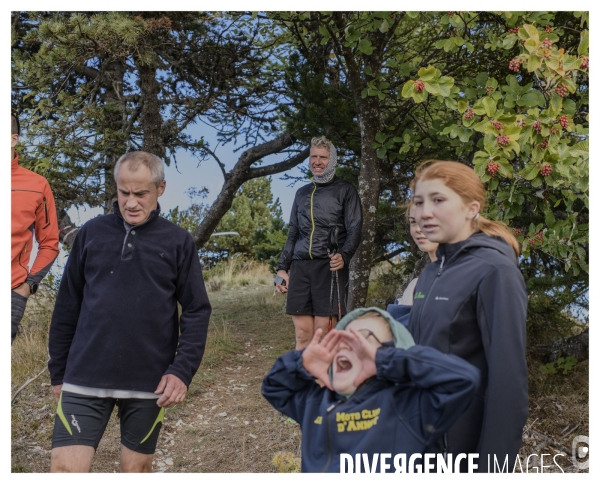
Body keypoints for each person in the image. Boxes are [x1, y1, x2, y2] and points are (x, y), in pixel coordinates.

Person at [48, 151, 212, 473]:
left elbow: (196, 310)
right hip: (84, 377)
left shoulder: (178, 242)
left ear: (160, 189)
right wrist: (58, 373)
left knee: (135, 472)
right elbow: (67, 305)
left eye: (141, 194)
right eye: (124, 193)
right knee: (64, 471)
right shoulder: (91, 235)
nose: (131, 202)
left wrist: (181, 371)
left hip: (149, 382)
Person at [408, 160, 528, 472]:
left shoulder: (495, 270)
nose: (424, 213)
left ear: (471, 208)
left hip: (461, 449)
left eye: (438, 200)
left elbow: (509, 386)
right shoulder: (430, 273)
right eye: (419, 202)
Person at [262, 307, 480, 472]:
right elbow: (274, 387)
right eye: (342, 338)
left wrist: (384, 360)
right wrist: (301, 363)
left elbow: (463, 378)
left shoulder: (405, 406)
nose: (347, 344)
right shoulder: (316, 402)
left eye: (363, 341)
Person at [275, 136, 362, 349]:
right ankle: (303, 381)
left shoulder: (345, 190)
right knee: (303, 334)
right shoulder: (301, 193)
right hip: (301, 267)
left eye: (323, 157)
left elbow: (355, 228)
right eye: (313, 156)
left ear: (332, 160)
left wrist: (344, 255)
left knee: (324, 336)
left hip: (329, 266)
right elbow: (293, 232)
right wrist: (281, 269)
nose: (317, 161)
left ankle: (325, 381)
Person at [11, 114, 59, 343]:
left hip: (10, 294)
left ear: (13, 139)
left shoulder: (37, 186)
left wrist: (28, 286)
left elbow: (50, 243)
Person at [396, 205, 439, 306]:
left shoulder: (474, 274)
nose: (418, 229)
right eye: (413, 222)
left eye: (428, 220)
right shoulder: (413, 287)